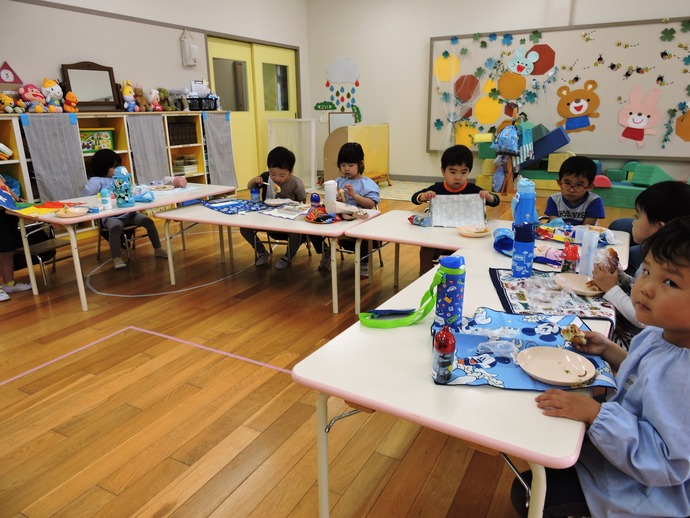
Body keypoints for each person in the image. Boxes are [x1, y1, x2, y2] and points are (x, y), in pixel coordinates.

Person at [511, 216, 690, 518]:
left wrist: (596, 414)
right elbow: (642, 376)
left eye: (670, 282)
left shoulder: (683, 376)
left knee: (533, 496)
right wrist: (610, 351)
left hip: (644, 492)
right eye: (646, 270)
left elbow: (666, 464)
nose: (645, 288)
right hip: (613, 452)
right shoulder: (661, 334)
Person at [593, 181, 690, 348]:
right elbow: (635, 285)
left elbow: (642, 317)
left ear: (659, 228)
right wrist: (619, 277)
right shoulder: (653, 256)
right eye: (646, 272)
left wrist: (611, 288)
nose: (633, 222)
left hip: (631, 337)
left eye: (637, 217)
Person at [411, 144, 500, 275]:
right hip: (439, 237)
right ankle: (425, 279)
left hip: (466, 238)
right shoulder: (437, 188)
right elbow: (414, 198)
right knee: (425, 249)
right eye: (453, 172)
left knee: (476, 252)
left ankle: (468, 278)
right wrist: (424, 196)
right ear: (443, 171)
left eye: (463, 172)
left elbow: (496, 202)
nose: (458, 177)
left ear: (469, 171)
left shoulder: (473, 190)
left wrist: (489, 197)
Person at [83, 149, 167, 270]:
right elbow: (87, 199)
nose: (117, 169)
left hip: (130, 213)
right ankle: (116, 257)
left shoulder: (122, 178)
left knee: (148, 221)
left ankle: (158, 248)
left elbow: (132, 191)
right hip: (111, 217)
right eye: (114, 167)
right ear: (104, 167)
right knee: (115, 226)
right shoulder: (95, 182)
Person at [317, 142, 380, 278]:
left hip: (361, 221)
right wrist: (335, 198)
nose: (346, 169)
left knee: (363, 234)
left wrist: (354, 196)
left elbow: (370, 204)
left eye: (351, 165)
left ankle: (364, 262)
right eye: (343, 165)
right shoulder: (338, 182)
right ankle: (325, 251)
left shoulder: (367, 183)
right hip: (341, 220)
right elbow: (331, 201)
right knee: (315, 225)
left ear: (360, 164)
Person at [240, 146, 307, 269]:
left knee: (296, 232)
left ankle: (288, 256)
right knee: (244, 228)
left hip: (288, 221)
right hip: (266, 217)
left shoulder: (296, 183)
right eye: (273, 173)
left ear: (290, 171)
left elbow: (303, 203)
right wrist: (254, 181)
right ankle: (261, 252)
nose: (276, 178)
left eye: (282, 175)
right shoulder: (266, 178)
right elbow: (250, 186)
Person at [544, 155, 605, 226]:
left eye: (579, 185)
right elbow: (555, 226)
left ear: (590, 187)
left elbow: (586, 229)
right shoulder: (554, 200)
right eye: (567, 183)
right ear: (559, 183)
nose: (572, 190)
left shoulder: (594, 202)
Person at [0, 175, 31, 301]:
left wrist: (16, 199)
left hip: (5, 213)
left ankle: (9, 284)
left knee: (8, 250)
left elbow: (4, 187)